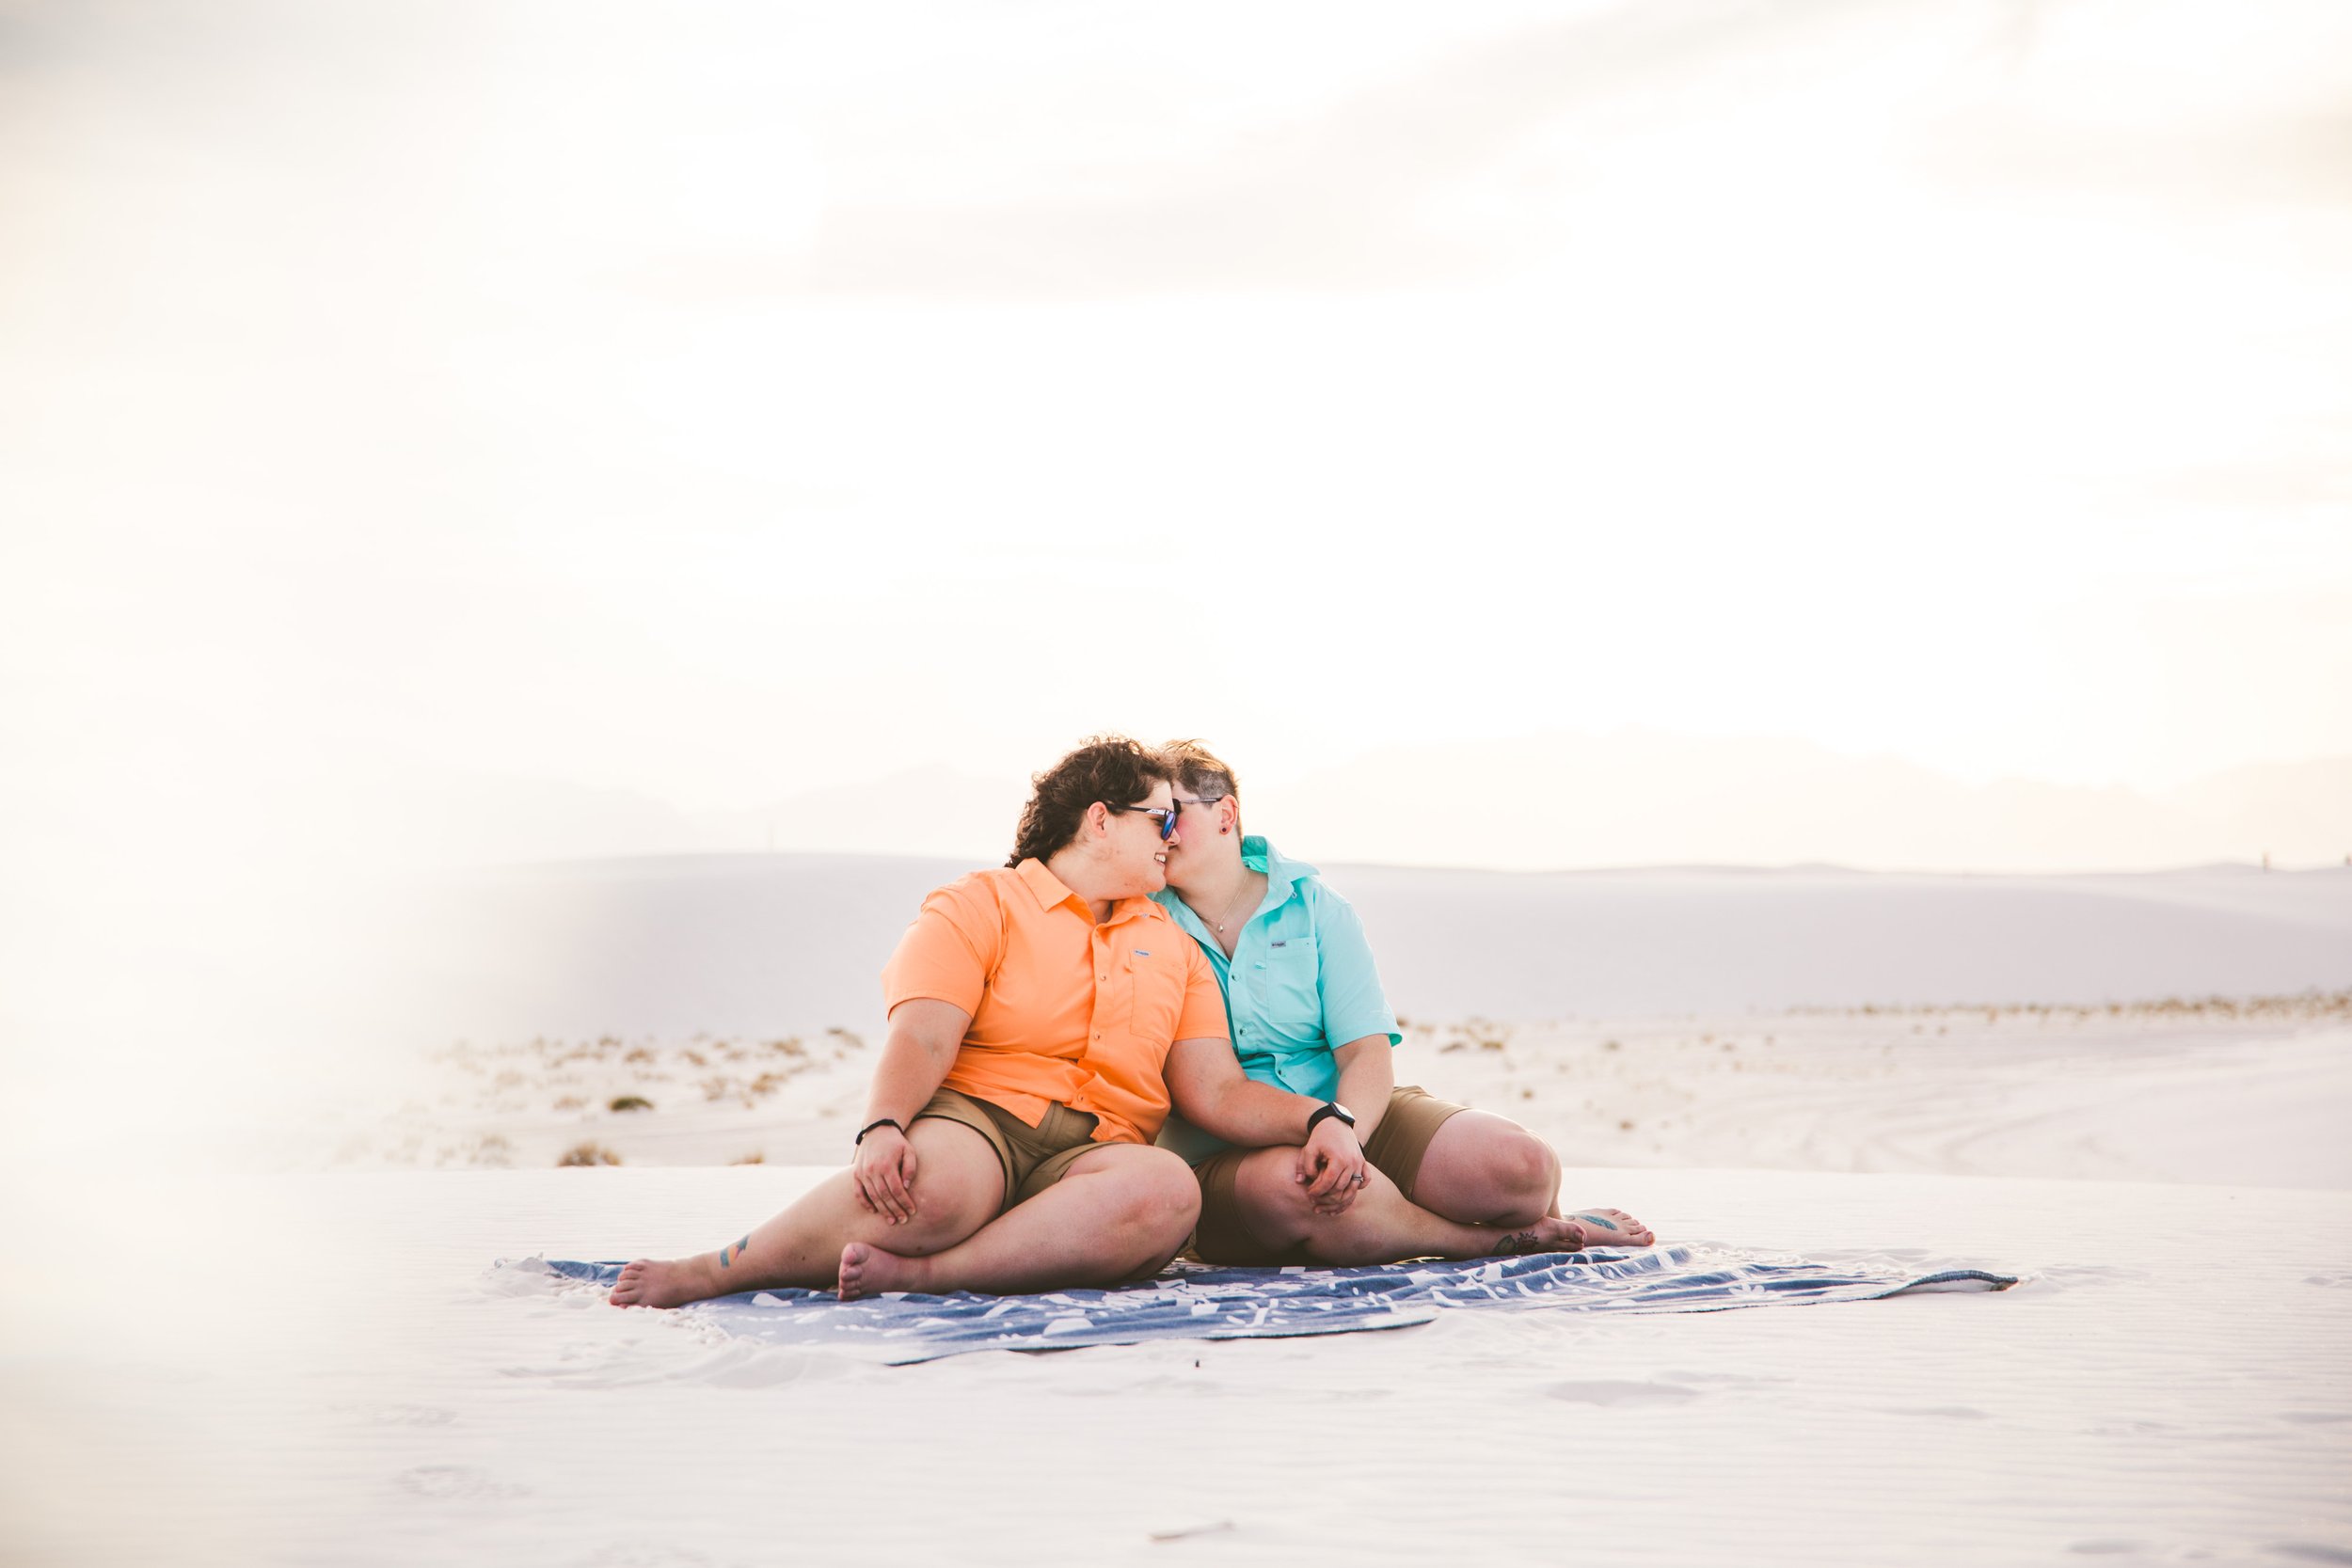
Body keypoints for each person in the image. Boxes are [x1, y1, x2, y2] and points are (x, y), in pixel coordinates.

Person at [610, 736, 1227, 1307]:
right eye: (1161, 817)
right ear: (1100, 819)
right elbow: (923, 1034)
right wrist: (882, 1125)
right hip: (981, 1122)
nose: (1170, 836)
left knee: (1169, 1193)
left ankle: (926, 1277)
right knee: (935, 1192)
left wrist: (1319, 1120)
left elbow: (1215, 1086)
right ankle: (711, 1272)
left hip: (1096, 1158)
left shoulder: (1175, 945)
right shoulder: (979, 902)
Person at [1152, 739, 1656, 1266]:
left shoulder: (1317, 907)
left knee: (1520, 1167)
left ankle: (1544, 1218)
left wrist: (1345, 1127)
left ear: (1226, 814)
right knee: (1315, 1197)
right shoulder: (1146, 919)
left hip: (1353, 1114)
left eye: (1171, 816)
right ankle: (1487, 1240)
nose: (1158, 834)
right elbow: (1214, 1094)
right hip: (1226, 1153)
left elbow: (1365, 1053)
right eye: (1150, 821)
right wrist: (1322, 1125)